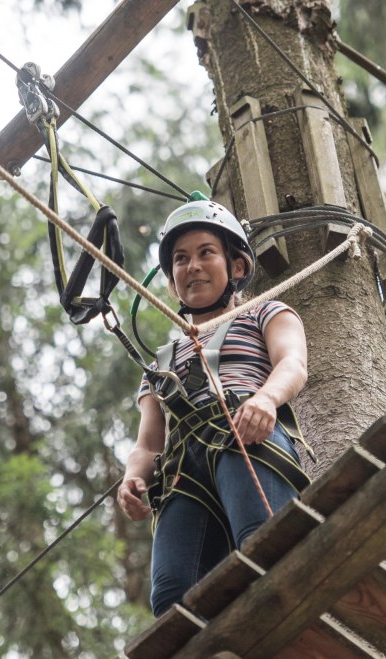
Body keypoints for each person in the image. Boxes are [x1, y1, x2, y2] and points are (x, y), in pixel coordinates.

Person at [116, 198, 311, 616]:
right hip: (183, 466)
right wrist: (134, 478)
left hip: (243, 431)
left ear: (236, 267)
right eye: (181, 259)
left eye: (206, 252)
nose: (193, 266)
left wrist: (266, 399)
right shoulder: (160, 363)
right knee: (171, 596)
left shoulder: (264, 312)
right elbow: (149, 441)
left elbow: (292, 364)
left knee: (263, 544)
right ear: (172, 282)